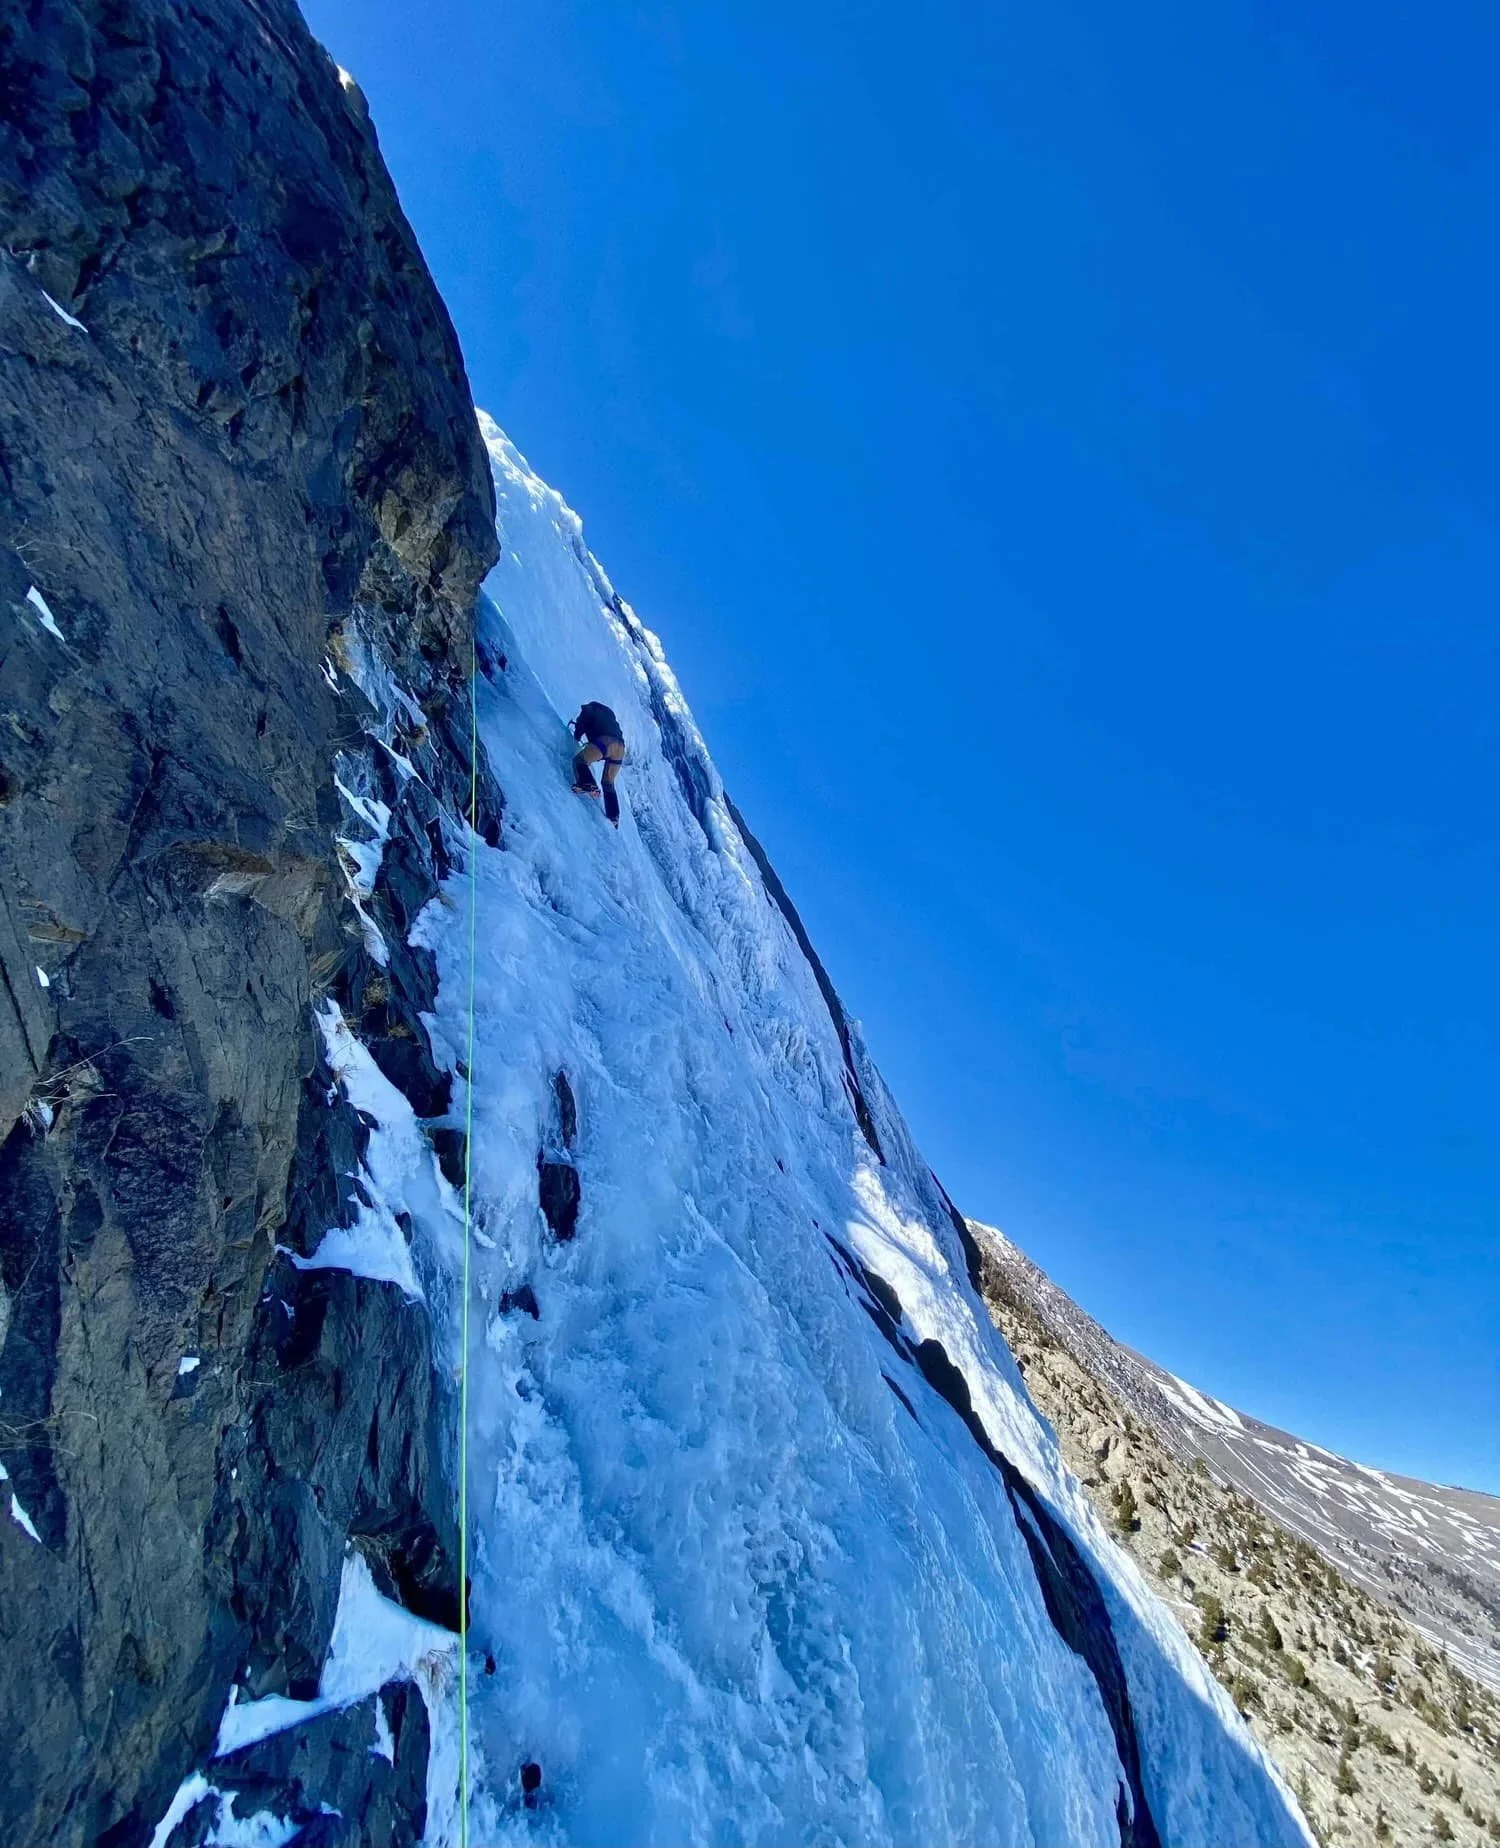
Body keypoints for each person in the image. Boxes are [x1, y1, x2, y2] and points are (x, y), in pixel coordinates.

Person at [570, 700, 626, 824]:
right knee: (608, 782)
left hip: (606, 742)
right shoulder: (609, 715)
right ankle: (613, 817)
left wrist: (576, 736)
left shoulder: (588, 709)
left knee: (580, 760)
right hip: (620, 748)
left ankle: (587, 784)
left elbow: (581, 724)